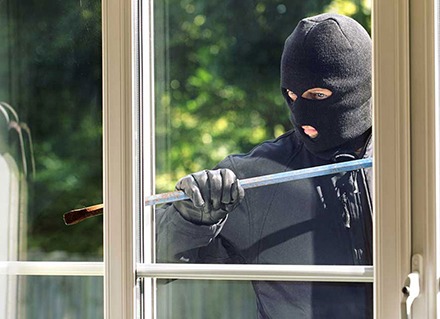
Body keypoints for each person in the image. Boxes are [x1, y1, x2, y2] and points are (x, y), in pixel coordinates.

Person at [156, 13, 373, 319]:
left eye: (317, 95)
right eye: (292, 95)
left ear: (360, 86)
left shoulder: (416, 165)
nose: (300, 110)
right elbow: (152, 262)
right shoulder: (258, 177)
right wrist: (189, 220)